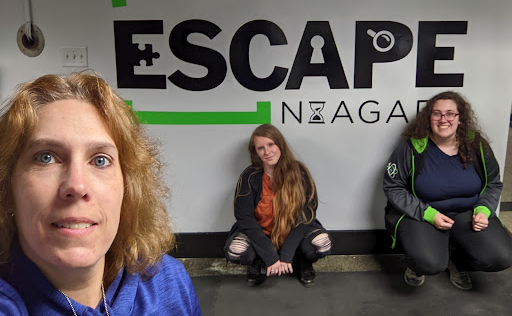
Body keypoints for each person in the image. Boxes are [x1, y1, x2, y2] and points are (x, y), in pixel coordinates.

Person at [0, 73, 201, 315]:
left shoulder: (167, 282)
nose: (77, 186)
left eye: (100, 160)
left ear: (127, 188)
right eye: (46, 157)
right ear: (6, 190)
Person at [383, 91, 512, 290]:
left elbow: (493, 183)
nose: (443, 119)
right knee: (429, 262)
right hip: (423, 214)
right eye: (437, 114)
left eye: (450, 114)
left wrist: (484, 210)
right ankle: (417, 265)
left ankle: (457, 260)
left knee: (502, 257)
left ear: (460, 118)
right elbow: (393, 187)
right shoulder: (413, 147)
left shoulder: (477, 145)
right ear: (429, 118)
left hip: (467, 213)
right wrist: (429, 214)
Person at [225, 124, 332, 287]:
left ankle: (301, 260)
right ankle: (258, 260)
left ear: (280, 144)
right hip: (261, 234)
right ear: (255, 152)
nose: (267, 152)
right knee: (237, 251)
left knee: (322, 244)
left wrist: (287, 255)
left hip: (294, 233)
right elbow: (244, 219)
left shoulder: (299, 172)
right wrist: (270, 257)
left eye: (271, 144)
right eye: (260, 148)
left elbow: (307, 215)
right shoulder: (249, 176)